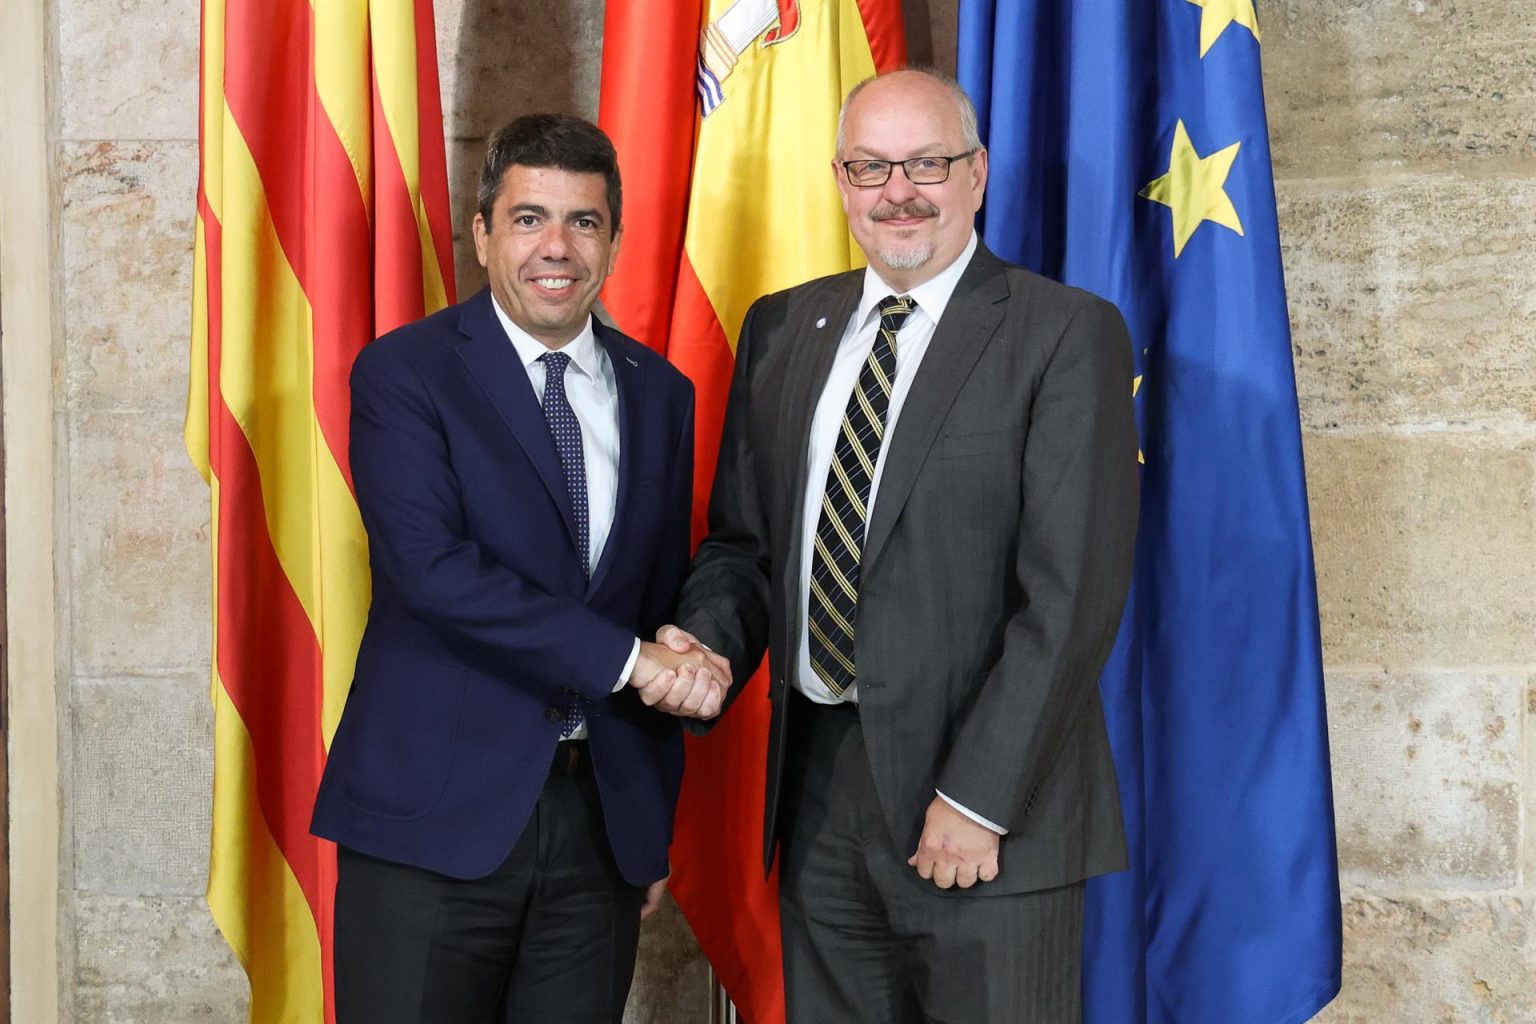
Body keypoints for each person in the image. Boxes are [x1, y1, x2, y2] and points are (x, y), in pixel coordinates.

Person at [659, 69, 1140, 1022]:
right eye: (871, 167)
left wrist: (979, 799)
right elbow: (747, 546)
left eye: (927, 163)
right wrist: (708, 641)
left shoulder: (1062, 331)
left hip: (991, 809)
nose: (898, 192)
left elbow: (1070, 599)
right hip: (820, 795)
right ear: (841, 181)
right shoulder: (785, 327)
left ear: (977, 174)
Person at [311, 112, 728, 1024]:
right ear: (483, 232)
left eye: (584, 222)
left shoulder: (662, 393)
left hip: (597, 832)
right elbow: (432, 570)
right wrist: (635, 662)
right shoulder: (406, 373)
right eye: (530, 218)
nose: (557, 248)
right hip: (431, 824)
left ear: (613, 239)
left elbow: (654, 588)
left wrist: (645, 819)